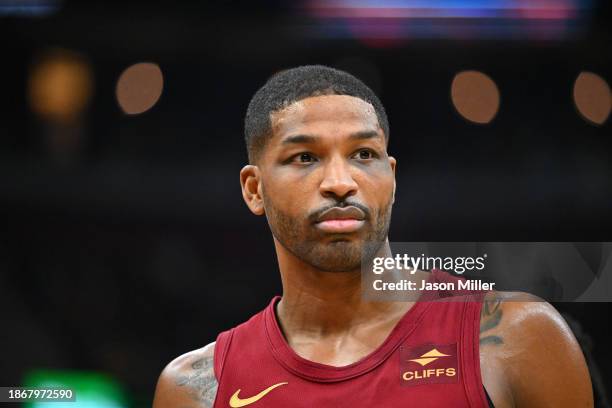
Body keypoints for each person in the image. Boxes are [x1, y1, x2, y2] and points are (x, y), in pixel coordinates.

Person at [152, 65, 593, 407]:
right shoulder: (195, 387)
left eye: (364, 154)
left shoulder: (517, 334)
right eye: (305, 157)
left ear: (392, 178)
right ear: (254, 189)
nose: (341, 182)